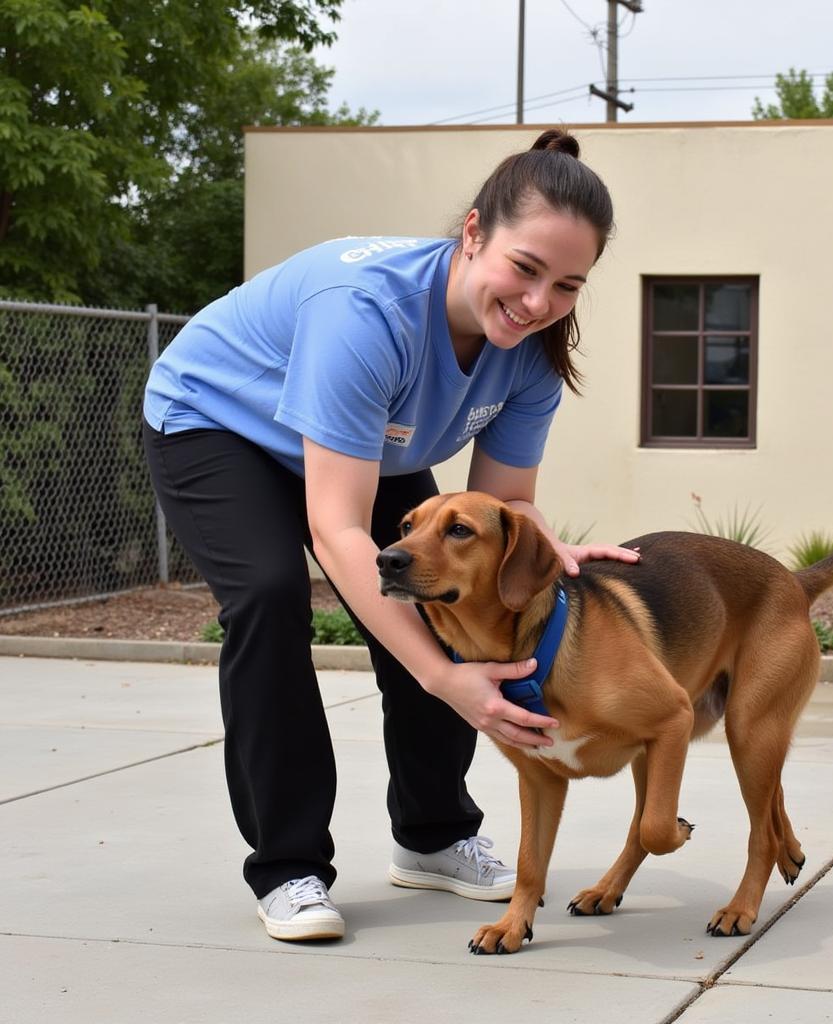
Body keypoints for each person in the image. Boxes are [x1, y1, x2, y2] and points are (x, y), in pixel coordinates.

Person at [142, 127, 638, 942]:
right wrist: (448, 680)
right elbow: (337, 532)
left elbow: (499, 510)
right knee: (268, 597)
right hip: (218, 423)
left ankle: (434, 835)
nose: (540, 303)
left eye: (568, 285)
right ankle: (289, 866)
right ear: (474, 232)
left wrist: (547, 554)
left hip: (368, 441)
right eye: (525, 268)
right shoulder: (367, 314)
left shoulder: (534, 355)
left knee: (454, 585)